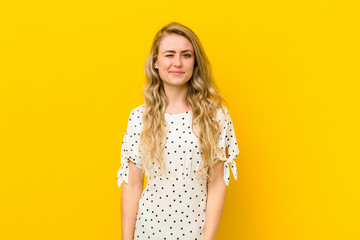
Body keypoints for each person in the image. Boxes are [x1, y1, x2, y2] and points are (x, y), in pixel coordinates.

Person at [117, 22, 240, 240]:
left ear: (195, 63)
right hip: (147, 232)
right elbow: (133, 186)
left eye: (186, 55)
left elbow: (217, 183)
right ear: (156, 62)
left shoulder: (214, 115)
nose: (177, 63)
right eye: (169, 54)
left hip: (194, 233)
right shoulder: (139, 117)